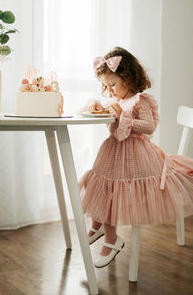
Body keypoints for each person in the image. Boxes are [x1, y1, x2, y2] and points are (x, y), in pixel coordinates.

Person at [79, 46, 193, 268]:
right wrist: (97, 106)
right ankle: (98, 224)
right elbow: (111, 115)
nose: (109, 91)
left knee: (113, 190)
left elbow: (149, 127)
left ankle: (112, 239)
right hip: (112, 152)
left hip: (136, 155)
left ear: (128, 78)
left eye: (112, 85)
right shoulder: (118, 100)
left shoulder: (140, 100)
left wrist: (126, 120)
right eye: (105, 86)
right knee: (103, 185)